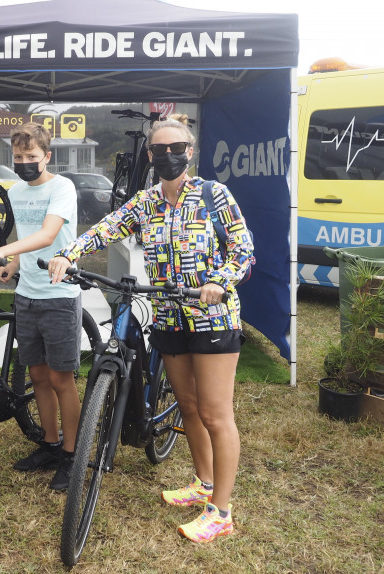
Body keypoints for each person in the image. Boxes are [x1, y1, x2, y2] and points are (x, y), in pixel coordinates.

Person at [47, 114, 253, 542]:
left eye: (176, 149)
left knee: (216, 414)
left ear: (189, 152)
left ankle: (222, 511)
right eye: (159, 150)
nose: (168, 156)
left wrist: (219, 280)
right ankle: (203, 482)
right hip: (168, 317)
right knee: (189, 407)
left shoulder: (214, 195)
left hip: (212, 318)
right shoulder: (146, 202)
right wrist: (69, 254)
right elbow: (107, 228)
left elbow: (244, 249)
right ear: (150, 155)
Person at [0, 122, 81, 490]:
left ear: (47, 156)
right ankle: (50, 444)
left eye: (31, 157)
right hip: (27, 294)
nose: (24, 163)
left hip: (59, 295)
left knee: (60, 378)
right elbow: (27, 238)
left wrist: (1, 250)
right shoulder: (16, 191)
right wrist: (13, 265)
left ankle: (72, 456)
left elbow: (49, 234)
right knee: (37, 375)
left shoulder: (62, 187)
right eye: (18, 157)